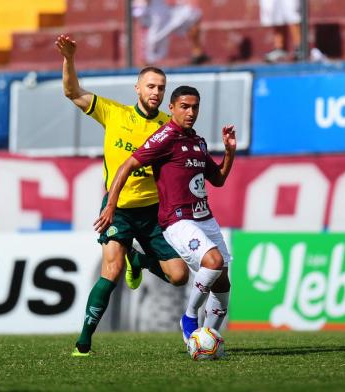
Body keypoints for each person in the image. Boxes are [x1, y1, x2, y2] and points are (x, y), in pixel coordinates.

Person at [55, 34, 189, 356]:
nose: (156, 92)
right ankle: (83, 343)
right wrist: (70, 58)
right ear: (138, 89)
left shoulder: (169, 128)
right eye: (151, 86)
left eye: (161, 88)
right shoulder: (114, 114)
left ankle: (138, 259)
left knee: (180, 275)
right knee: (111, 272)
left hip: (154, 212)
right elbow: (72, 92)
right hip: (119, 210)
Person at [95, 85, 236, 343]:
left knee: (223, 283)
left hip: (205, 219)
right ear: (171, 108)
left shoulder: (197, 141)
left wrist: (229, 152)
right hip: (178, 220)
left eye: (195, 107)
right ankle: (190, 316)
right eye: (184, 106)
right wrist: (111, 204)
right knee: (213, 263)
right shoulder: (165, 137)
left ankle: (209, 338)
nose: (190, 112)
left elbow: (218, 180)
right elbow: (127, 165)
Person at [133, 0, 210, 65]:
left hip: (164, 11)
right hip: (151, 15)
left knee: (193, 14)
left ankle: (197, 53)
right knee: (150, 53)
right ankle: (145, 73)